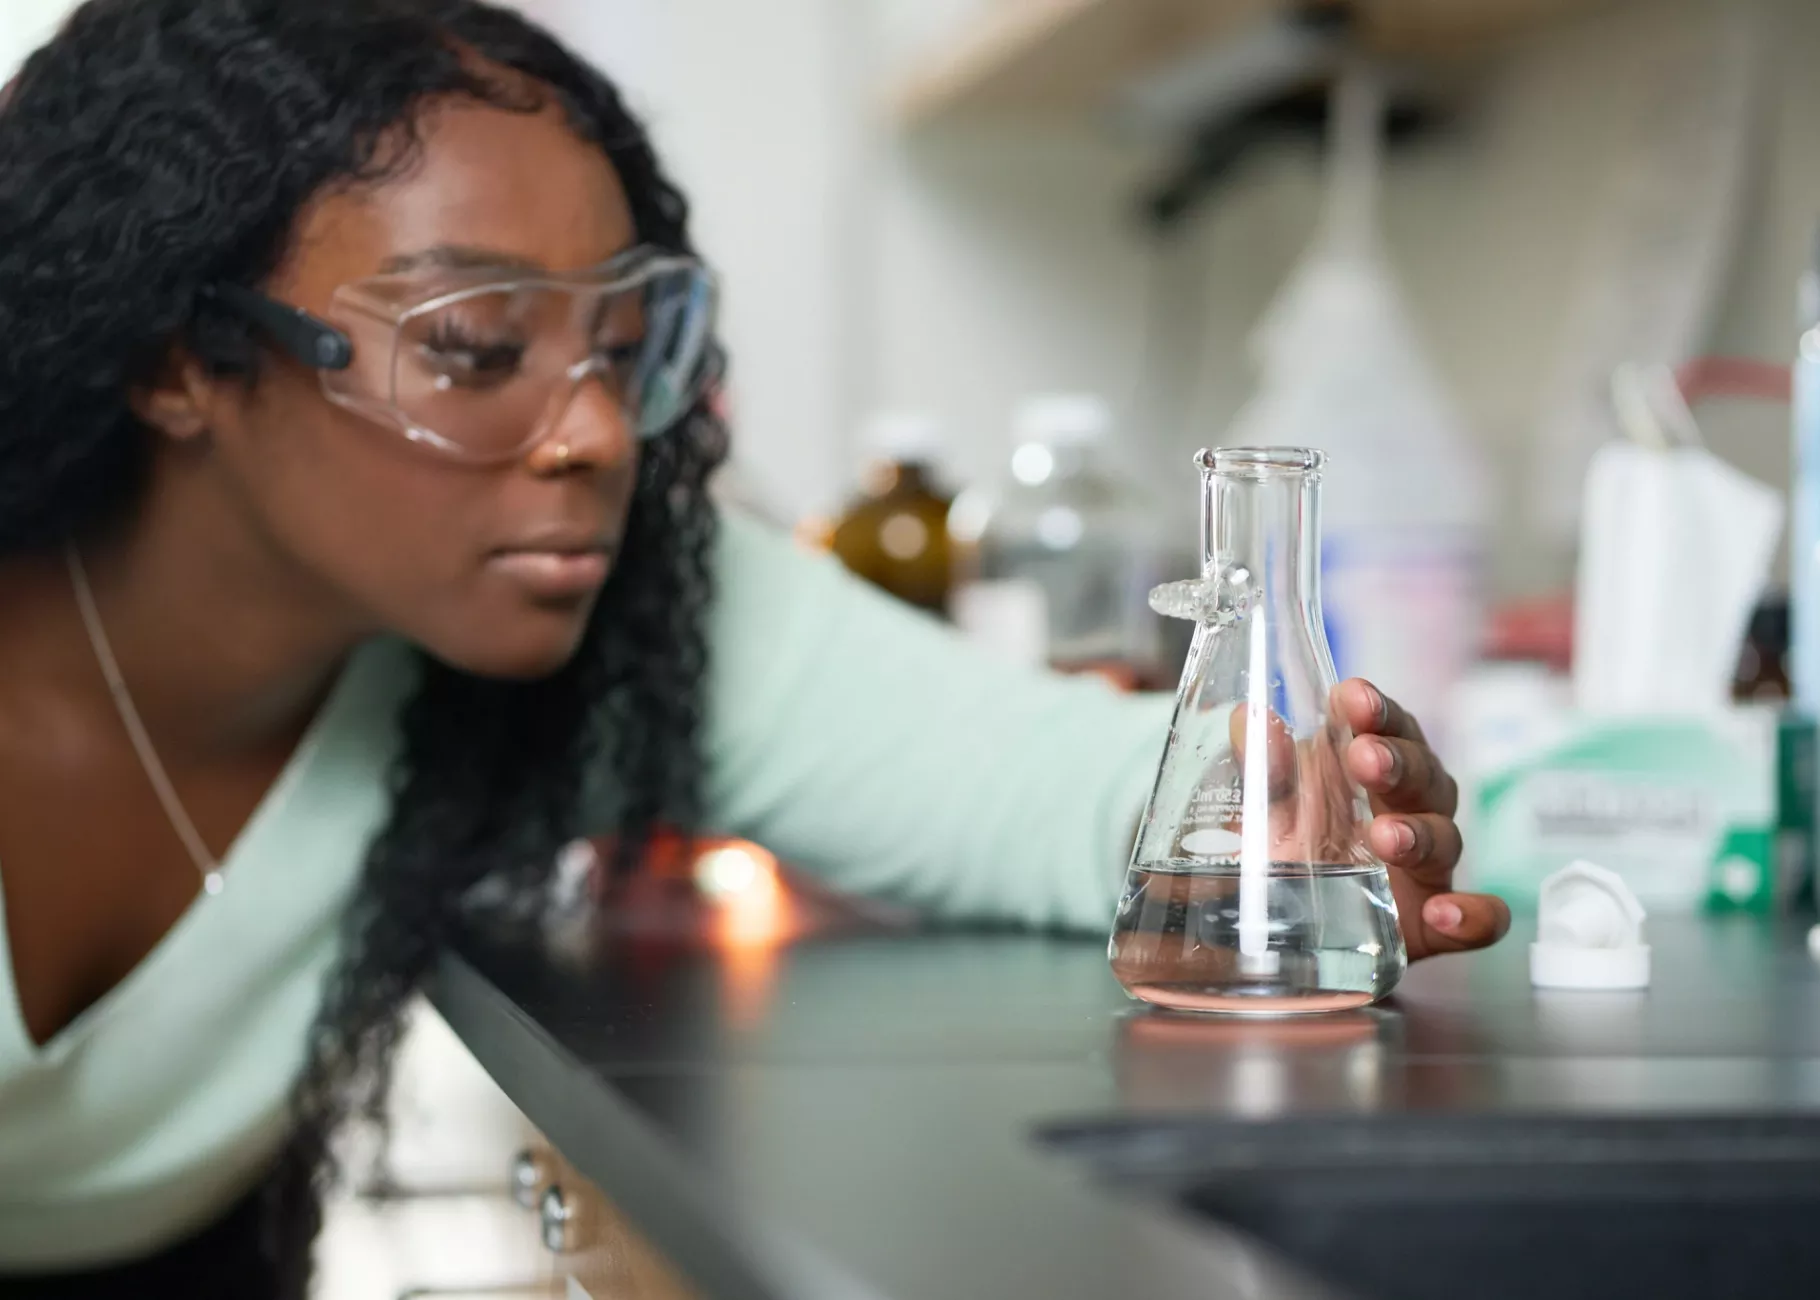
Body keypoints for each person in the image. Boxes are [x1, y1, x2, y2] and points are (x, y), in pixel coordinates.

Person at [0, 1, 1510, 1295]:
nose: (596, 435)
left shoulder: (616, 617)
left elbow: (1040, 786)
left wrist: (1299, 808)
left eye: (622, 349)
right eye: (473, 348)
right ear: (182, 361)